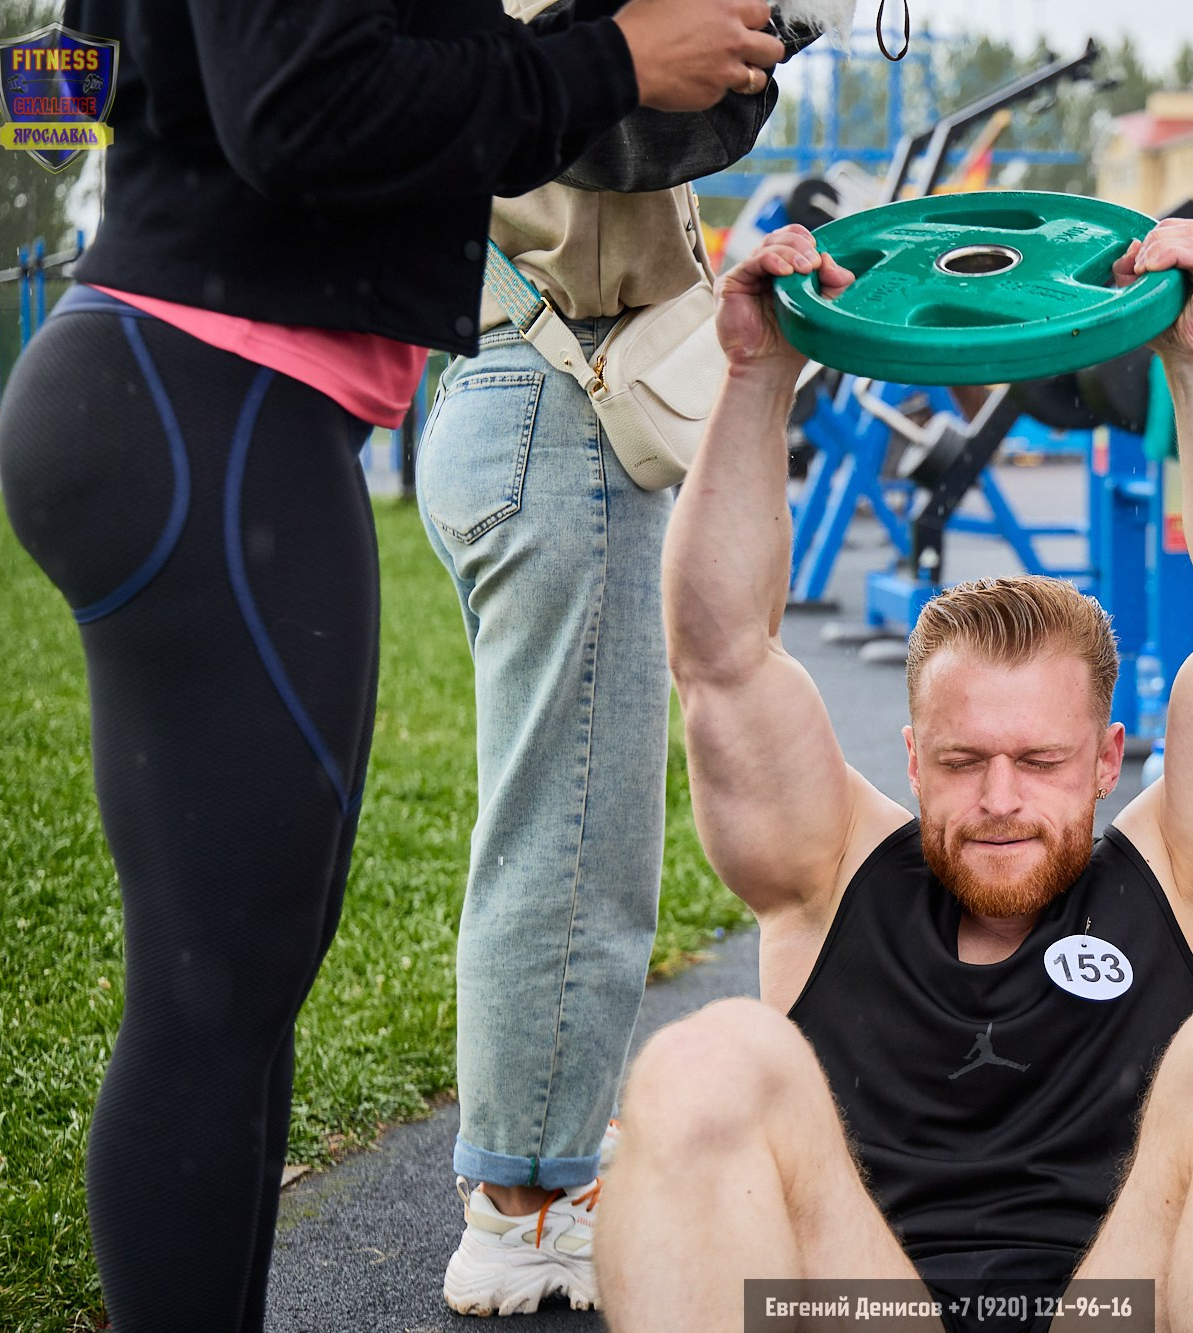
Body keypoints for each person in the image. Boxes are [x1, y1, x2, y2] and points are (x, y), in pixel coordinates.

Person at [0, 1, 786, 1328]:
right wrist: (617, 60)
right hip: (201, 394)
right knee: (210, 1007)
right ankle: (531, 1207)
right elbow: (297, 106)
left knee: (235, 1000)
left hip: (223, 399)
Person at [593, 220, 1193, 1333]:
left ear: (1108, 760)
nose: (1001, 798)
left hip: (1115, 1309)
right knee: (708, 1058)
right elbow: (719, 656)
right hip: (870, 1306)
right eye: (962, 762)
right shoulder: (828, 875)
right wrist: (757, 371)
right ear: (912, 758)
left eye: (1041, 761)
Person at [418, 2, 839, 1314]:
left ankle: (533, 1156)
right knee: (576, 832)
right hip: (557, 398)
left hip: (516, 391)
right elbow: (627, 125)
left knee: (557, 811)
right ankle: (523, 1204)